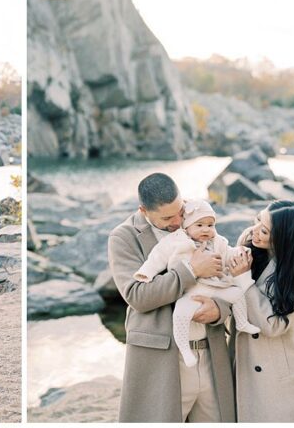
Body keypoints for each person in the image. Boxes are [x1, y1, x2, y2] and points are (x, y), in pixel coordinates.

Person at [108, 173, 236, 422]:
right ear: (143, 211)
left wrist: (220, 308)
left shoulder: (196, 216)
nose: (178, 221)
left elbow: (222, 276)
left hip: (210, 350)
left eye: (180, 211)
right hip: (163, 358)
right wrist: (190, 271)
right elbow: (137, 295)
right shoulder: (123, 237)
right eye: (167, 217)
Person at [133, 199, 259, 368]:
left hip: (215, 286)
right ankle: (184, 349)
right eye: (199, 225)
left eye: (210, 225)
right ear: (187, 227)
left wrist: (240, 252)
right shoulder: (176, 240)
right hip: (191, 290)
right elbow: (158, 256)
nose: (206, 229)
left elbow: (228, 254)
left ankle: (242, 322)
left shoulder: (218, 241)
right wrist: (146, 272)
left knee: (237, 294)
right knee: (181, 314)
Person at [229, 200, 294, 422]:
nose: (255, 231)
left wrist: (243, 279)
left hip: (281, 362)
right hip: (245, 353)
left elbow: (274, 325)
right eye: (258, 219)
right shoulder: (248, 242)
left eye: (265, 230)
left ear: (284, 237)